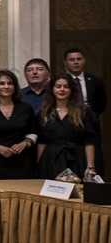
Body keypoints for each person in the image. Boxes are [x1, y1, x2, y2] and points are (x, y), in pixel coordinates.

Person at [0, 69, 38, 180]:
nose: (6, 87)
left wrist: (24, 143)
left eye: (10, 83)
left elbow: (33, 132)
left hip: (21, 162)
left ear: (15, 87)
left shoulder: (25, 108)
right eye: (2, 83)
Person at [36, 74, 97, 180]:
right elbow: (41, 141)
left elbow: (90, 141)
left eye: (66, 86)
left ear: (72, 90)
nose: (62, 89)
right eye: (58, 86)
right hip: (51, 159)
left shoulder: (84, 112)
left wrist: (90, 167)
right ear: (52, 90)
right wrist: (39, 165)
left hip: (77, 158)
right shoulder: (44, 113)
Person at [64, 46, 106, 175]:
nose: (76, 62)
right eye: (72, 60)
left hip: (89, 124)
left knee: (93, 155)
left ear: (84, 60)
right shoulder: (61, 81)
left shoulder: (95, 81)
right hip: (67, 125)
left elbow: (101, 104)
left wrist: (88, 116)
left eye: (79, 59)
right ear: (66, 63)